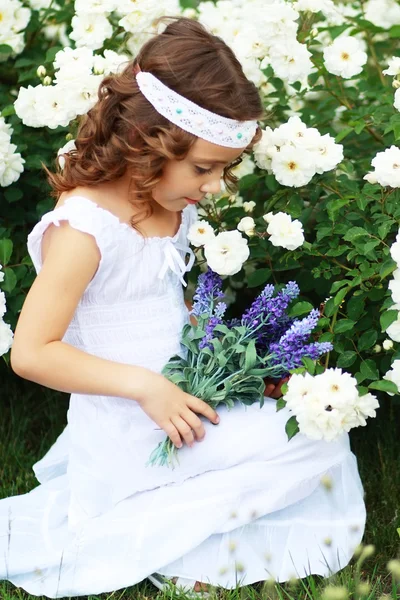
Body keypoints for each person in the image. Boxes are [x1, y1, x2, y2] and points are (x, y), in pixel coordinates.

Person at [0, 16, 365, 599]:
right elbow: (31, 353)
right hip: (130, 423)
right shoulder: (85, 229)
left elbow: (156, 305)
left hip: (184, 400)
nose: (216, 185)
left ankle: (183, 529)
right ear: (150, 142)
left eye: (224, 168)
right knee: (308, 446)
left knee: (318, 430)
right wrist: (148, 388)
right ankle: (164, 531)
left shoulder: (171, 206)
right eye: (204, 167)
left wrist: (215, 350)